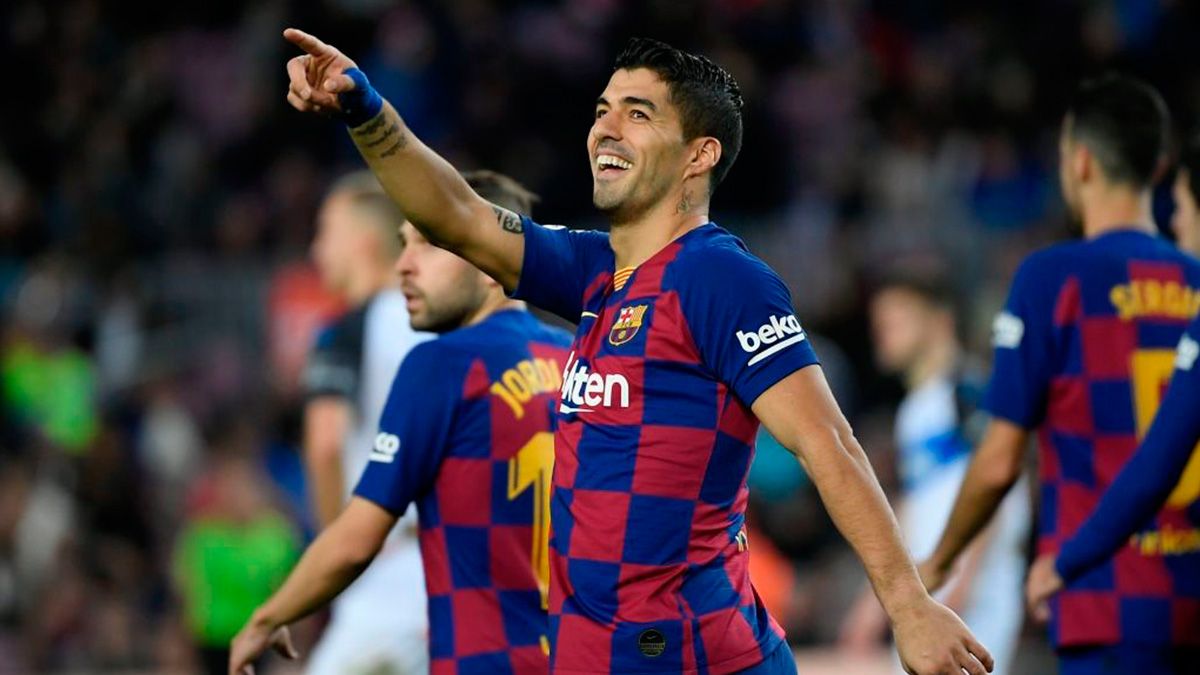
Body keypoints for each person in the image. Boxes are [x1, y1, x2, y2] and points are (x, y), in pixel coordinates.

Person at [281, 30, 992, 675]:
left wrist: (907, 603)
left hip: (690, 653)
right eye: (602, 109)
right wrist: (366, 110)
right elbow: (458, 217)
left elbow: (827, 440)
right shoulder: (594, 270)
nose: (604, 128)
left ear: (699, 155)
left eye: (637, 113)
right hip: (591, 651)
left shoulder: (719, 277)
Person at [229, 171, 571, 675]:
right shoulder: (574, 359)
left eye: (431, 245)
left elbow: (354, 532)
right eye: (403, 244)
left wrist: (270, 615)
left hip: (467, 648)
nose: (405, 265)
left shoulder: (444, 362)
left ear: (491, 260)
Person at [918, 74, 1200, 674]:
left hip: (1107, 597)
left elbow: (999, 461)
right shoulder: (1195, 280)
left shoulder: (1053, 279)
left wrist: (937, 561)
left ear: (1081, 163)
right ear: (1162, 165)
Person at [1025, 135, 1200, 647]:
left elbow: (1158, 462)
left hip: (1123, 612)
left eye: (1187, 206)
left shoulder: (1050, 277)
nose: (1177, 223)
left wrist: (1065, 561)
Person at [840, 275, 1028, 674]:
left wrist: (963, 581)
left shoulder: (969, 392)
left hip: (973, 594)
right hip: (932, 591)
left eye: (896, 320)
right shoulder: (914, 410)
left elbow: (995, 485)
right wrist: (873, 604)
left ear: (939, 321)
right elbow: (914, 504)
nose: (883, 333)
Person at [300, 171, 430, 675]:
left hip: (382, 571)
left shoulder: (347, 330)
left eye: (325, 232)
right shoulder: (444, 321)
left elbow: (325, 444)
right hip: (457, 566)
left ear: (364, 242)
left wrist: (335, 557)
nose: (316, 251)